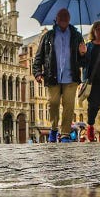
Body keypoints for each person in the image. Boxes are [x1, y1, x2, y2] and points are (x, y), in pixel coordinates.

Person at [32, 8, 85, 143]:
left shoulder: (77, 36)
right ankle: (54, 128)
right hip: (53, 76)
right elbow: (39, 57)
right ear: (56, 19)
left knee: (69, 105)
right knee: (53, 103)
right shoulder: (48, 36)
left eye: (65, 18)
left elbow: (84, 62)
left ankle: (65, 134)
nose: (63, 21)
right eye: (60, 18)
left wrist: (84, 53)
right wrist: (37, 72)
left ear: (68, 20)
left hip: (71, 77)